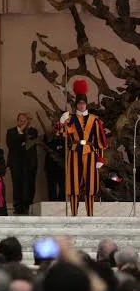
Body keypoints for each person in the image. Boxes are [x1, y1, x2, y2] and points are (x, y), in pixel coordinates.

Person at [59, 79, 107, 216]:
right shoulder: (71, 118)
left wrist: (100, 157)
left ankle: (90, 214)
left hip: (90, 154)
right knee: (74, 186)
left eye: (83, 103)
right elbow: (63, 133)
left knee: (90, 187)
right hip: (74, 153)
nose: (81, 105)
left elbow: (99, 140)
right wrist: (62, 122)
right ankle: (74, 214)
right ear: (76, 105)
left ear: (86, 104)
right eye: (79, 103)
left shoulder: (94, 120)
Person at [6, 113, 38, 215]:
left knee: (29, 185)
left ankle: (27, 206)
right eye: (21, 120)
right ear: (17, 120)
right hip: (16, 163)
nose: (23, 122)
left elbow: (30, 143)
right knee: (17, 185)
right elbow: (11, 145)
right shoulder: (11, 132)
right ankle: (18, 207)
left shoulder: (33, 131)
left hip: (29, 163)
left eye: (25, 121)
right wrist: (21, 136)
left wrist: (21, 139)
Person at [44, 124, 65, 201]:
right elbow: (47, 146)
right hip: (50, 165)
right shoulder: (48, 136)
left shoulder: (64, 137)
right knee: (51, 185)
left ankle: (61, 201)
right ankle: (52, 202)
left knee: (63, 185)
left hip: (62, 165)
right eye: (55, 127)